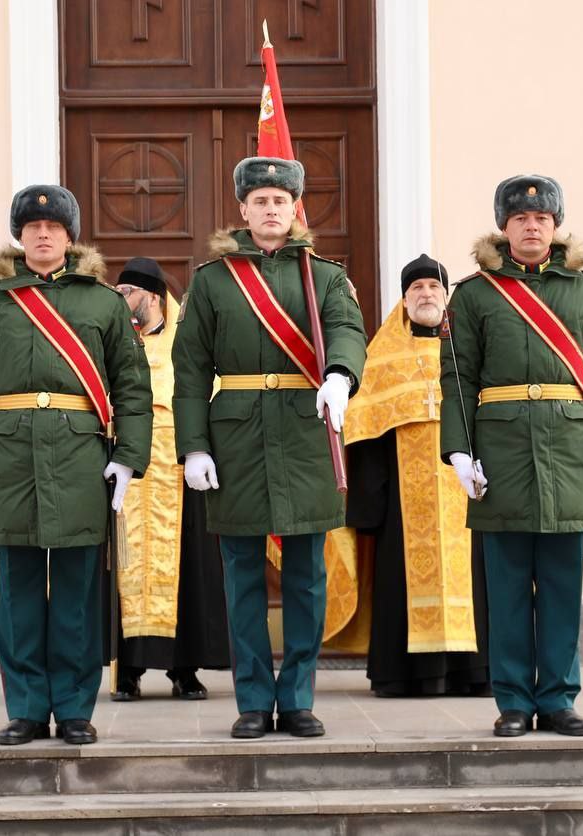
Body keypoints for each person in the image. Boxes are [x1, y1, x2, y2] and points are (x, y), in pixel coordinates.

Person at [0, 185, 152, 746]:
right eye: (33, 228)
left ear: (69, 236)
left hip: (81, 457)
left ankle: (76, 709)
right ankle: (29, 709)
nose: (42, 234)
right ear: (20, 235)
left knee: (79, 595)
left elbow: (132, 387)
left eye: (54, 227)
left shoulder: (104, 303)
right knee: (18, 596)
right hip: (9, 459)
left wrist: (128, 458)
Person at [171, 156, 367, 739]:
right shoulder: (212, 281)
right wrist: (194, 447)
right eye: (260, 201)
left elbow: (348, 330)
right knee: (243, 578)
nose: (270, 210)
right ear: (243, 210)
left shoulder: (325, 275)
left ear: (295, 208)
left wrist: (338, 374)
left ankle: (300, 696)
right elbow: (189, 371)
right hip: (234, 439)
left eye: (280, 201)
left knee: (307, 575)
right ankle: (253, 699)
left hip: (305, 433)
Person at [440, 174, 583, 738]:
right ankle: (513, 701)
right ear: (504, 226)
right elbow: (457, 378)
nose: (532, 226)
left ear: (555, 226)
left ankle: (557, 697)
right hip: (500, 451)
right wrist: (458, 450)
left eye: (542, 219)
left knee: (558, 583)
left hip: (569, 448)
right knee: (504, 585)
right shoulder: (474, 294)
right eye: (521, 219)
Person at [344, 254, 490, 698]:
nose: (426, 295)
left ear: (446, 298)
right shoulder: (382, 358)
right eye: (417, 289)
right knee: (401, 580)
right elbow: (365, 431)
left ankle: (474, 673)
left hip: (469, 496)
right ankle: (403, 674)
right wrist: (371, 503)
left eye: (433, 288)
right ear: (404, 300)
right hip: (404, 504)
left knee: (476, 578)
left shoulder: (469, 350)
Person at [104, 257, 230, 701]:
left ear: (152, 297)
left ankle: (185, 669)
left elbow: (202, 396)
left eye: (125, 293)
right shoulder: (112, 345)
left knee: (189, 570)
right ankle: (127, 670)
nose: (119, 301)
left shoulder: (185, 345)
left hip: (179, 473)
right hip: (127, 471)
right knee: (123, 568)